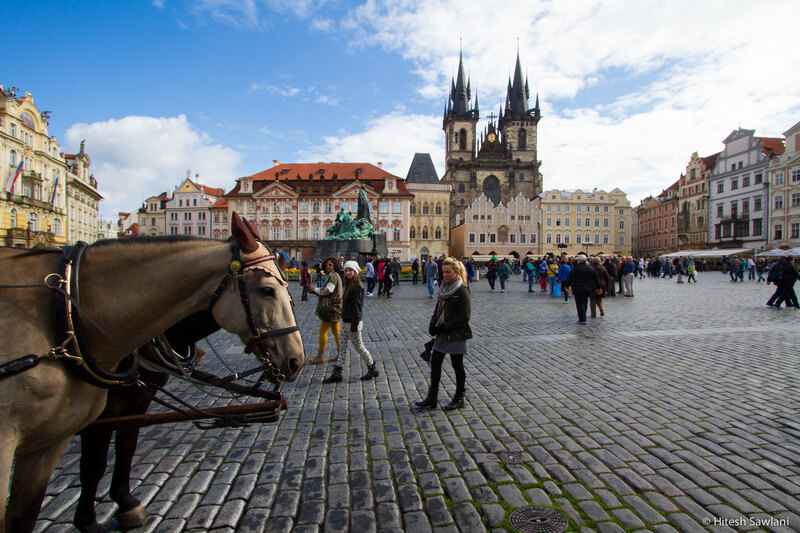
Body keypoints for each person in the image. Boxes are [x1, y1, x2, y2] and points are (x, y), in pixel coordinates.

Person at [416, 257, 471, 410]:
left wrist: (444, 327)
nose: (445, 275)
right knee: (435, 362)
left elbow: (465, 317)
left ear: (456, 272)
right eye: (443, 272)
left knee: (457, 365)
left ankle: (459, 397)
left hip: (456, 334)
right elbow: (438, 307)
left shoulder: (462, 290)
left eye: (448, 272)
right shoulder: (444, 286)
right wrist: (433, 323)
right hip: (442, 334)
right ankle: (432, 397)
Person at [323, 261, 379, 383]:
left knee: (359, 347)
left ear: (355, 272)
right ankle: (337, 373)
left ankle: (372, 368)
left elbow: (357, 308)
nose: (348, 273)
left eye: (350, 270)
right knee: (342, 348)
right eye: (346, 270)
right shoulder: (348, 284)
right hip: (345, 322)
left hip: (353, 323)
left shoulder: (357, 286)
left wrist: (354, 326)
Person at [309, 258, 343, 364]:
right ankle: (341, 353)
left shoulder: (333, 276)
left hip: (330, 308)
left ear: (335, 265)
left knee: (322, 331)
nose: (328, 266)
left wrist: (315, 289)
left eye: (330, 265)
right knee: (336, 331)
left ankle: (320, 355)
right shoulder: (335, 275)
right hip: (336, 307)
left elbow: (328, 290)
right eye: (327, 265)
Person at [565, 254, 601, 324]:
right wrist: (598, 287)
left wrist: (567, 285)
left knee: (580, 304)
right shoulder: (591, 268)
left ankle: (582, 319)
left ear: (580, 261)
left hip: (578, 288)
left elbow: (570, 278)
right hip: (588, 288)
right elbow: (596, 279)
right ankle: (583, 316)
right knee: (585, 302)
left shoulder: (576, 268)